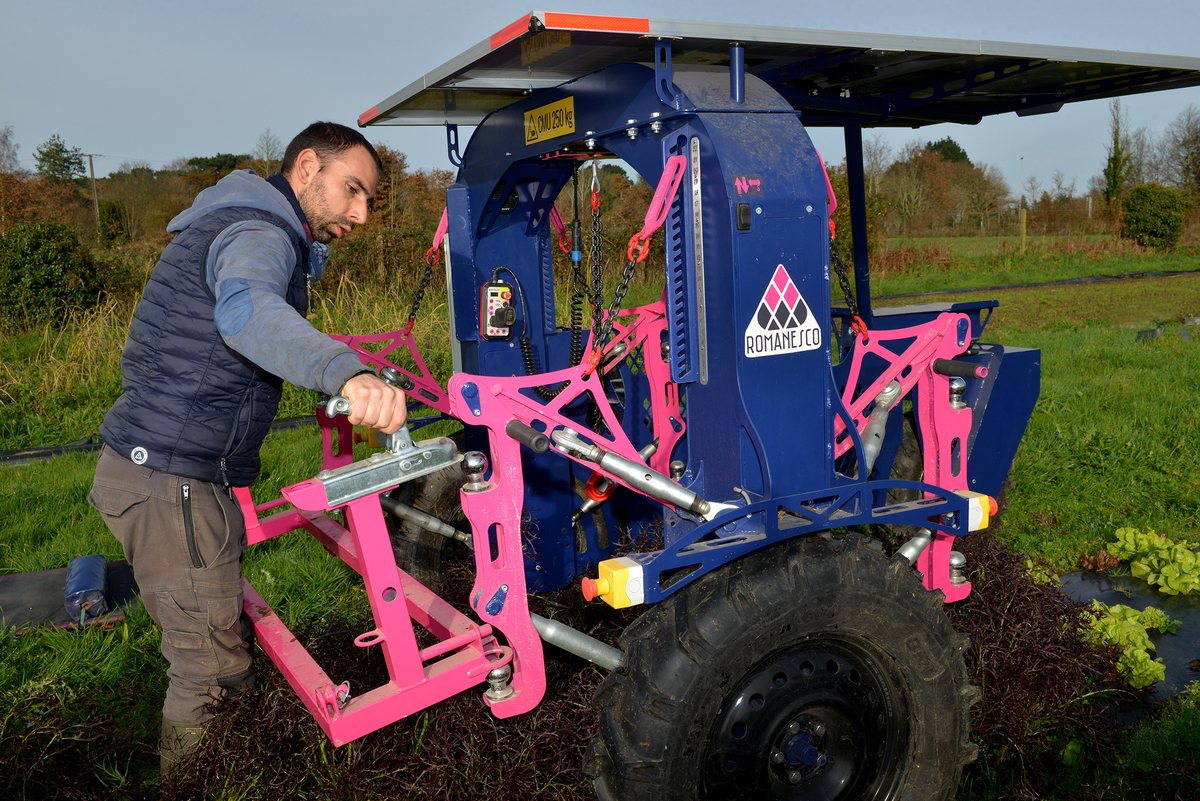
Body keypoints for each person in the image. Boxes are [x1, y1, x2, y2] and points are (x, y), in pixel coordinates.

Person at [87, 121, 406, 773]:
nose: (361, 213)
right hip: (169, 479)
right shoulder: (260, 233)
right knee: (209, 670)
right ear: (307, 165)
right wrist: (348, 371)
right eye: (353, 189)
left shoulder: (247, 222)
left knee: (214, 635)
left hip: (170, 471)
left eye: (368, 199)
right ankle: (199, 782)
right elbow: (248, 314)